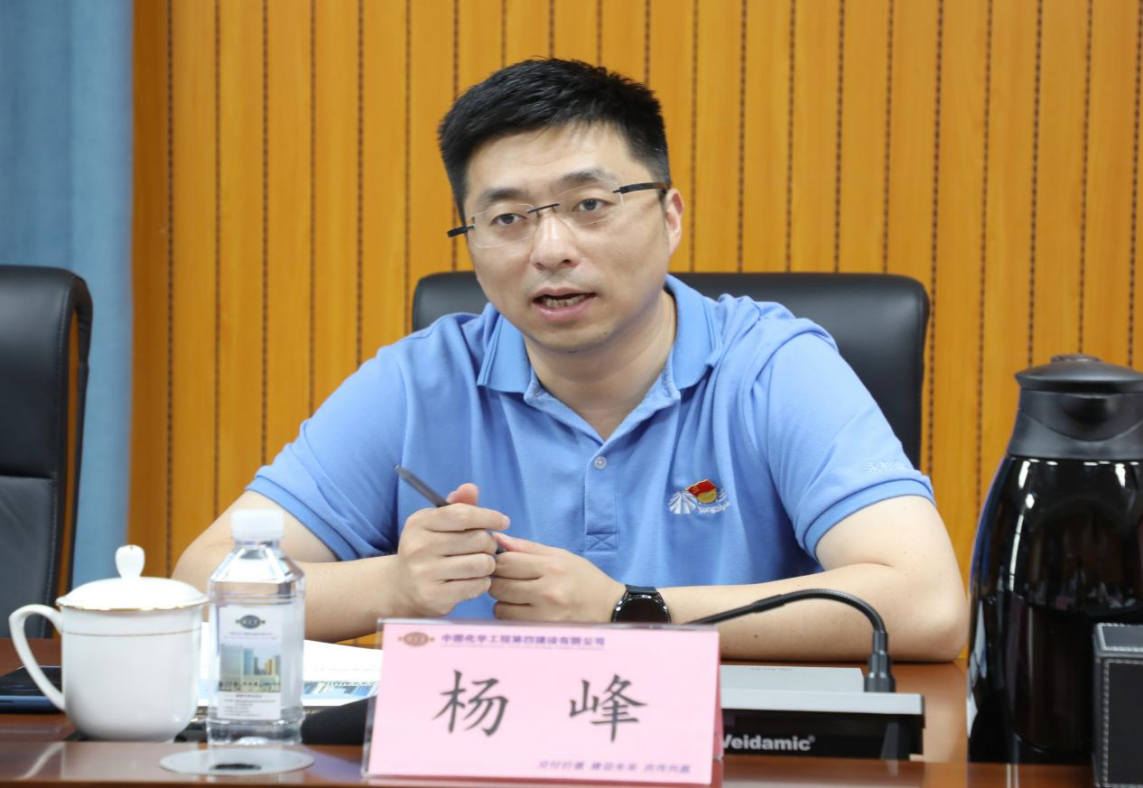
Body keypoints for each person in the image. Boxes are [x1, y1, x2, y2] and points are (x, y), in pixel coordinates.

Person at [174, 58, 967, 661]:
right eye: (507, 218)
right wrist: (392, 584)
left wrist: (629, 610)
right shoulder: (421, 381)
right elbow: (200, 586)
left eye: (589, 205)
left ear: (669, 215)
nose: (550, 249)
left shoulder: (771, 367)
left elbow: (927, 604)